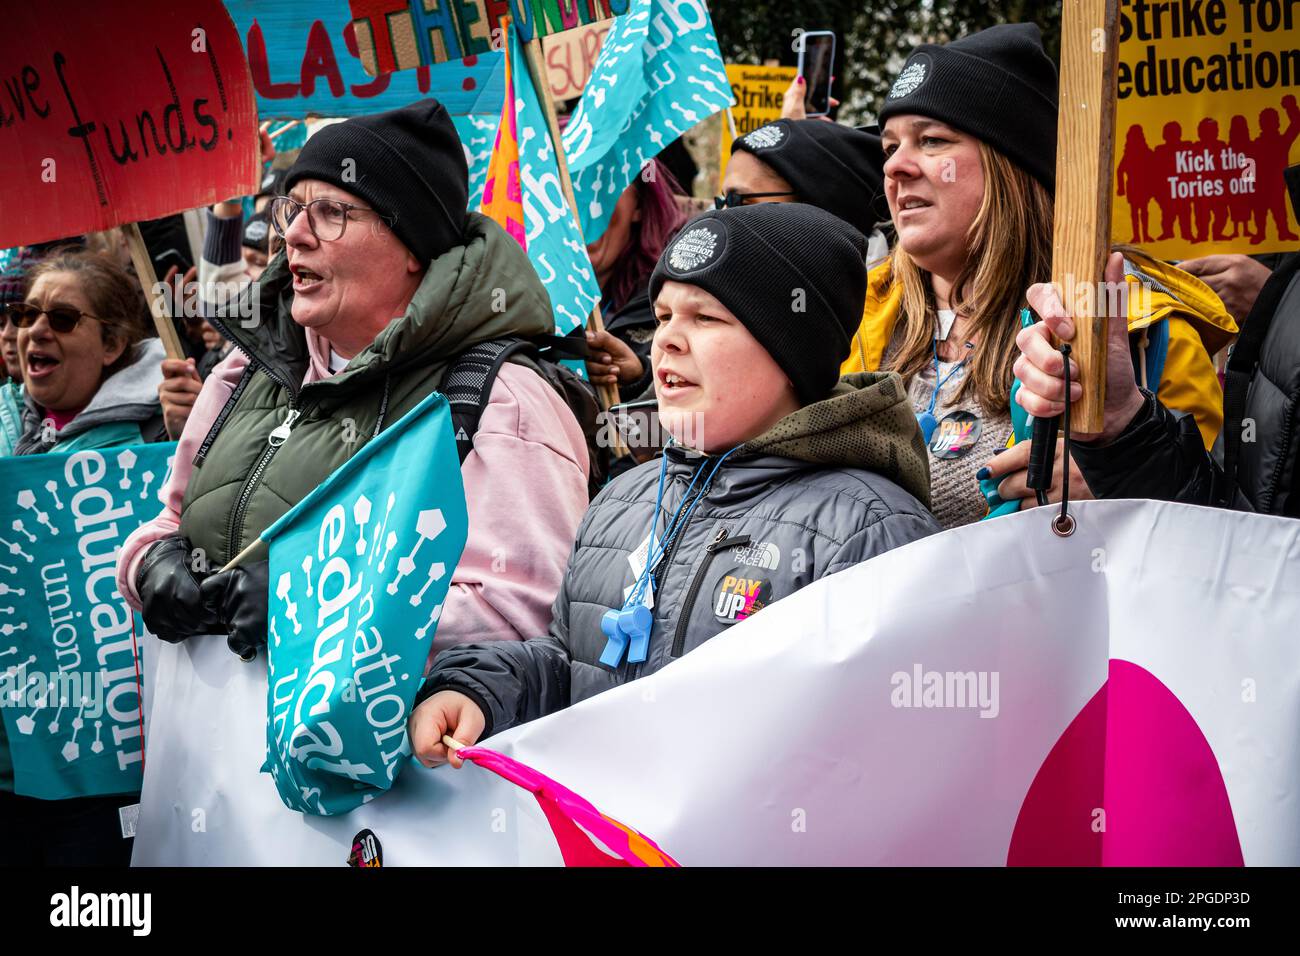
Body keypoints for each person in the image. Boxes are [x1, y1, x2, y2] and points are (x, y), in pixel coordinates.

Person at [406, 203, 941, 766]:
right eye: (662, 317)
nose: (668, 342)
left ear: (791, 353)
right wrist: (479, 690)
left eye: (706, 318)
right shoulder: (625, 496)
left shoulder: (871, 530)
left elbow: (887, 757)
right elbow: (570, 663)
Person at [115, 99, 591, 663]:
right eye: (292, 209)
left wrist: (318, 609)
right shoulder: (245, 369)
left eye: (332, 213)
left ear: (413, 248)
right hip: (212, 744)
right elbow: (170, 521)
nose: (293, 234)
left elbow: (524, 614)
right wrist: (149, 565)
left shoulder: (499, 396)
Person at [839, 23, 1235, 529]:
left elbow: (1220, 531)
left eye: (932, 140)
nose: (896, 167)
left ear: (1014, 169)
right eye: (889, 147)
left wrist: (1119, 483)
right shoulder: (852, 316)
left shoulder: (1141, 332)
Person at [0, 249, 166, 866]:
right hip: (10, 770)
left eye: (63, 319)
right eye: (25, 314)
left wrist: (199, 440)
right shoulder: (4, 419)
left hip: (105, 774)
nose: (34, 331)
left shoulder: (162, 432)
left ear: (113, 344)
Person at [1012, 171, 1300, 518]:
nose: (924, 166)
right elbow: (1232, 531)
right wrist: (1119, 438)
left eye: (937, 141)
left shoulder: (1161, 334)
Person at [583, 158, 688, 399]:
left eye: (602, 184)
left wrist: (640, 378)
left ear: (638, 206)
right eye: (572, 188)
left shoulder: (676, 293)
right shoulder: (518, 300)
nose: (588, 206)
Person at [721, 117, 890, 266]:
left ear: (821, 209)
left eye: (737, 201)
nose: (720, 216)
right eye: (721, 202)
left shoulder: (894, 300)